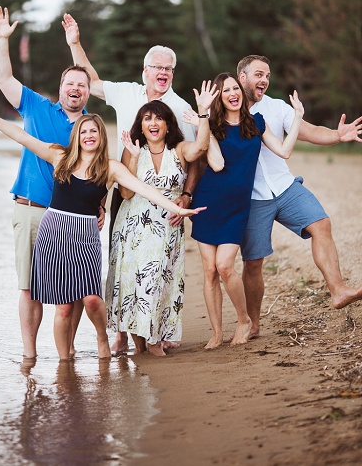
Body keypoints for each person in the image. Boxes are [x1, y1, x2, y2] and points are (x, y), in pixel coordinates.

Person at [0, 94, 203, 359]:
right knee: (64, 308)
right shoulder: (60, 156)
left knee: (92, 298)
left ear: (101, 136)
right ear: (77, 136)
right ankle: (64, 364)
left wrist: (178, 208)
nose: (89, 135)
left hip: (86, 236)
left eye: (94, 131)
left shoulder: (110, 168)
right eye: (84, 131)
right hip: (54, 233)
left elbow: (145, 190)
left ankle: (103, 338)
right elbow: (23, 137)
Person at [65, 15, 198, 353]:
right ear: (145, 71)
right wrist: (74, 43)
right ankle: (122, 329)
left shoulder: (182, 109)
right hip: (124, 192)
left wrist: (186, 195)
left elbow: (194, 159)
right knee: (121, 260)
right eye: (157, 66)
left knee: (159, 267)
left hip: (166, 199)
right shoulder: (126, 93)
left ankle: (153, 329)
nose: (163, 72)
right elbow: (91, 82)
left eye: (168, 68)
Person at [0, 6, 94, 360]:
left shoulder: (89, 130)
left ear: (88, 92)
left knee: (74, 290)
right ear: (61, 88)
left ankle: (68, 349)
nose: (75, 89)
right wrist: (2, 40)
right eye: (70, 84)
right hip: (32, 211)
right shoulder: (36, 107)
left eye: (81, 85)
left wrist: (101, 210)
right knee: (30, 288)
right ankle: (30, 355)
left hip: (73, 220)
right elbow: (4, 79)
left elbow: (99, 176)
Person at [236, 55, 362, 335]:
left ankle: (338, 290)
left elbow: (308, 131)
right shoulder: (228, 109)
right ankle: (253, 324)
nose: (264, 80)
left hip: (284, 186)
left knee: (321, 224)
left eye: (267, 75)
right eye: (258, 74)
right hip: (252, 197)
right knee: (253, 263)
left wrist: (337, 136)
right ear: (242, 77)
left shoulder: (276, 107)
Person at [189, 72, 303, 349]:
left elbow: (285, 151)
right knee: (209, 271)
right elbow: (215, 163)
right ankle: (216, 333)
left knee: (225, 266)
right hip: (208, 201)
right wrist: (203, 117)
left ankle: (244, 320)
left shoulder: (256, 123)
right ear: (219, 96)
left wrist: (298, 116)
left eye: (235, 88)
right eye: (226, 90)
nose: (233, 93)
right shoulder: (209, 125)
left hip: (238, 205)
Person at [107, 88, 214, 357]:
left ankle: (155, 338)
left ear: (168, 125)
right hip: (133, 226)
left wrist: (203, 115)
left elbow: (201, 148)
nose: (152, 123)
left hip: (167, 225)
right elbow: (127, 193)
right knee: (132, 283)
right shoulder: (133, 151)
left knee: (159, 280)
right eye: (146, 119)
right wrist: (130, 156)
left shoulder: (178, 149)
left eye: (158, 119)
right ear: (140, 126)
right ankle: (140, 341)